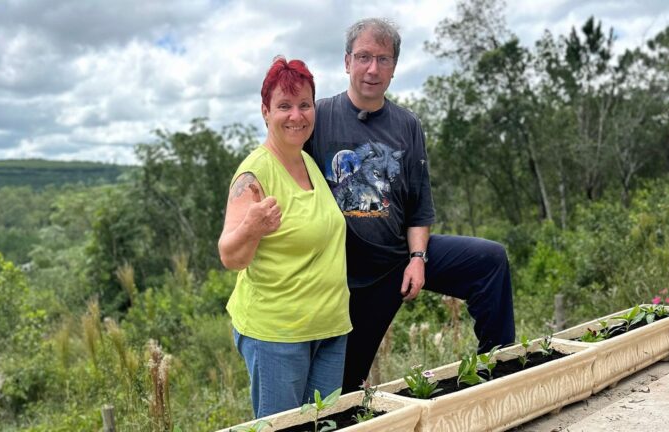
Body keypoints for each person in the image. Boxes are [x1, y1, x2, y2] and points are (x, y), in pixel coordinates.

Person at [305, 18, 516, 393]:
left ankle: (496, 373)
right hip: (347, 276)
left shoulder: (406, 125)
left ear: (394, 68)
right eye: (364, 57)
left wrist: (418, 258)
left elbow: (419, 205)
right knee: (341, 391)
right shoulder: (318, 118)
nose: (373, 68)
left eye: (383, 60)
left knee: (490, 261)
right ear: (347, 61)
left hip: (399, 258)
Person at [218, 57, 351, 418]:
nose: (296, 115)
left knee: (323, 427)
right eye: (284, 106)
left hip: (329, 328)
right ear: (265, 111)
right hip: (278, 334)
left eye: (304, 104)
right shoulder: (254, 174)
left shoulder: (308, 163)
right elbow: (230, 255)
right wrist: (252, 227)